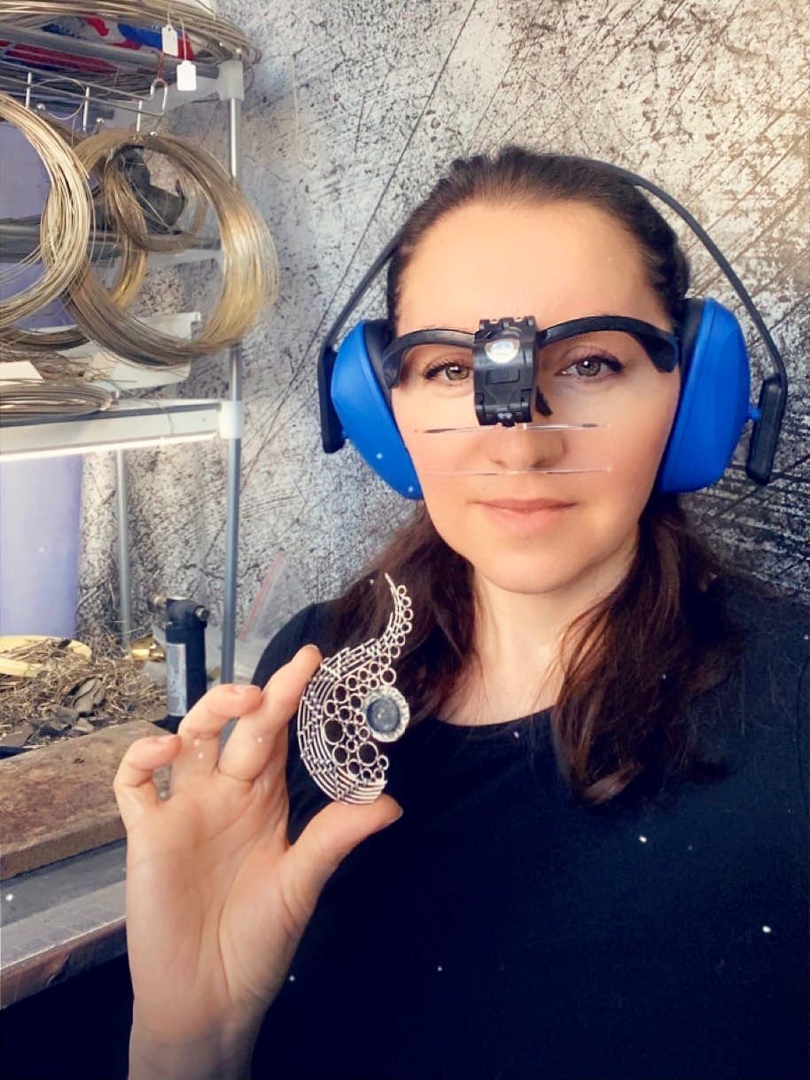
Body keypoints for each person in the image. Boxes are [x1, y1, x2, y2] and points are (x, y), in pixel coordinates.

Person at [115, 149, 808, 1080]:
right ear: (376, 405)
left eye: (594, 362)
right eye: (449, 370)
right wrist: (189, 1038)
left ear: (695, 396)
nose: (519, 446)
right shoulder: (311, 680)